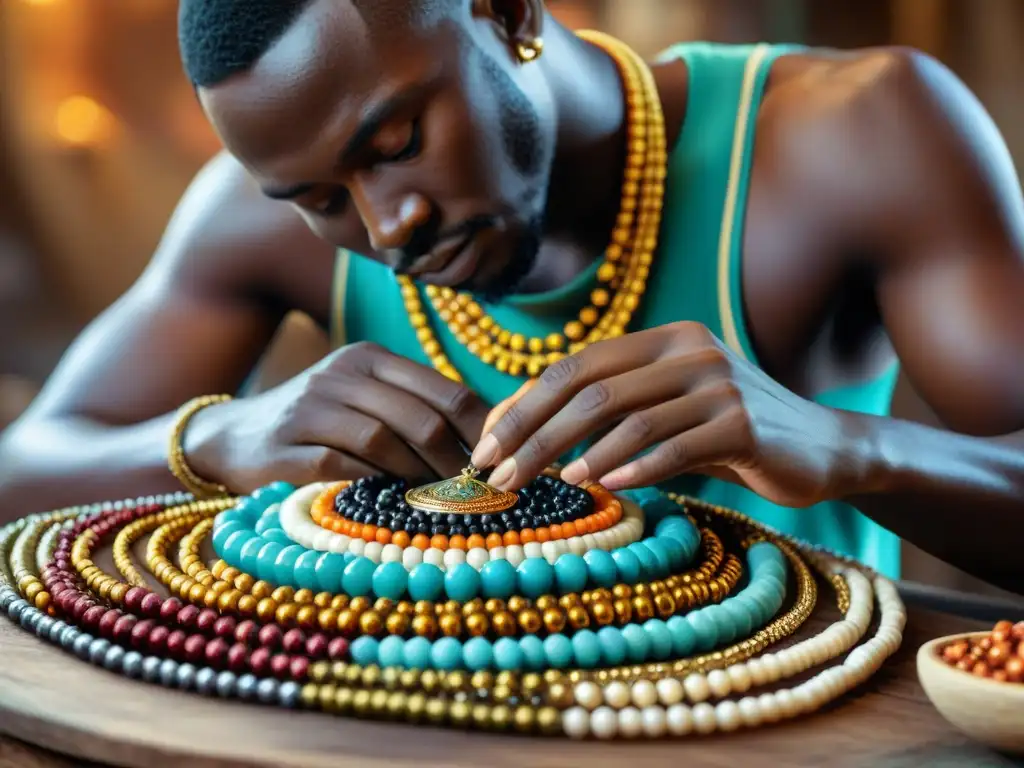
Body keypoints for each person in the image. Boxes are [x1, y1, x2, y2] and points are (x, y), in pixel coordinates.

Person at [0, 0, 1021, 591]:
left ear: (507, 12)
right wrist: (216, 440)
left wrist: (842, 447)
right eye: (317, 198)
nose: (385, 227)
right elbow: (22, 471)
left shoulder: (856, 133)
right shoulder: (252, 215)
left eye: (396, 144)